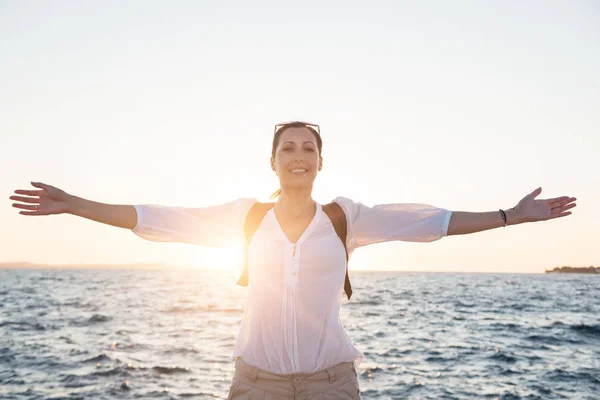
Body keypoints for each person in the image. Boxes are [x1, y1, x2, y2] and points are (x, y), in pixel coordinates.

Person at [9, 121, 577, 399]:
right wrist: (74, 204)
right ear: (273, 161)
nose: (298, 155)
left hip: (333, 384)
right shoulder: (244, 217)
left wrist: (511, 215)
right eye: (289, 147)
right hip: (255, 384)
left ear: (321, 162)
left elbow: (435, 221)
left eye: (309, 148)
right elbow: (155, 217)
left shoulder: (347, 218)